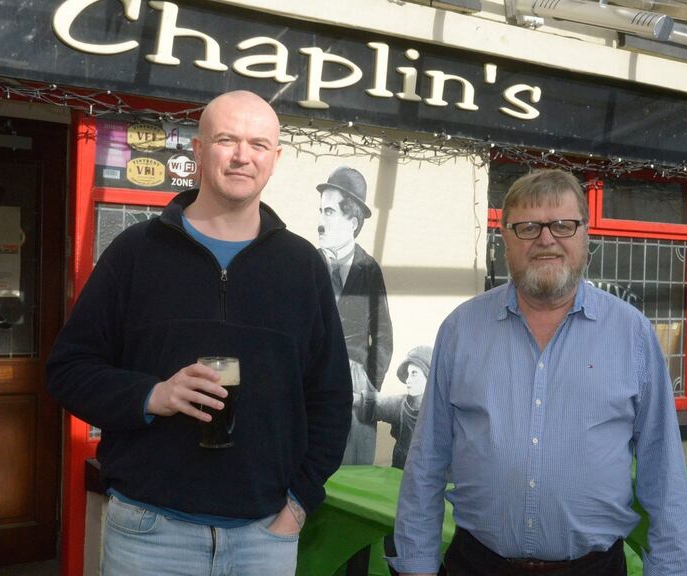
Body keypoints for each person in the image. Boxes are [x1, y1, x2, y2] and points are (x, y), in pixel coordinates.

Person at [47, 90, 352, 576]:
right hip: (149, 534)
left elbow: (332, 398)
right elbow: (68, 370)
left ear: (276, 158)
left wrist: (297, 507)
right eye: (226, 139)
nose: (241, 156)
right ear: (198, 149)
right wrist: (154, 394)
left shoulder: (302, 267)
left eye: (257, 144)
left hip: (263, 536)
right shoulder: (137, 252)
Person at [388, 169, 687, 576]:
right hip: (478, 565)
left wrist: (671, 568)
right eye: (528, 227)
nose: (546, 239)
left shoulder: (631, 333)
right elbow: (426, 460)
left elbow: (663, 466)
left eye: (563, 225)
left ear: (586, 237)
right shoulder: (461, 329)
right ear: (505, 240)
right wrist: (415, 565)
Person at [317, 165, 393, 465]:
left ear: (352, 221)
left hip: (356, 389)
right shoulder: (308, 264)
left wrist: (369, 384)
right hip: (315, 386)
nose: (320, 222)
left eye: (330, 213)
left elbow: (384, 336)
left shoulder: (368, 269)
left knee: (354, 468)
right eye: (320, 211)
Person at [371, 345, 432, 470]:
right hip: (399, 479)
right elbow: (372, 402)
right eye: (408, 374)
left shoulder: (445, 412)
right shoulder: (400, 405)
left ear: (429, 376)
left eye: (414, 374)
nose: (408, 380)